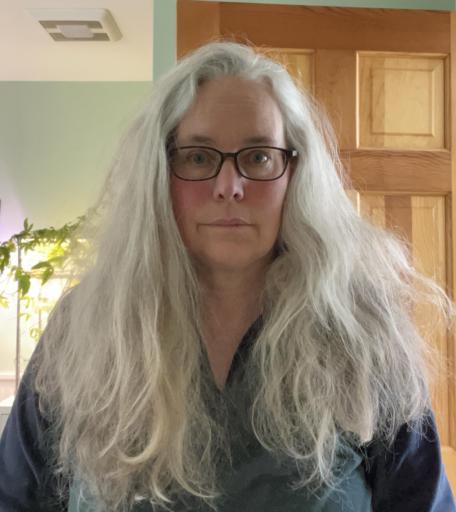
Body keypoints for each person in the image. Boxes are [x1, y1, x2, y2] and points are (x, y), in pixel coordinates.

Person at [0, 41, 455, 512]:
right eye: (198, 157)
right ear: (159, 172)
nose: (229, 187)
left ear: (295, 173)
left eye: (258, 157)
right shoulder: (86, 327)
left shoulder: (361, 332)